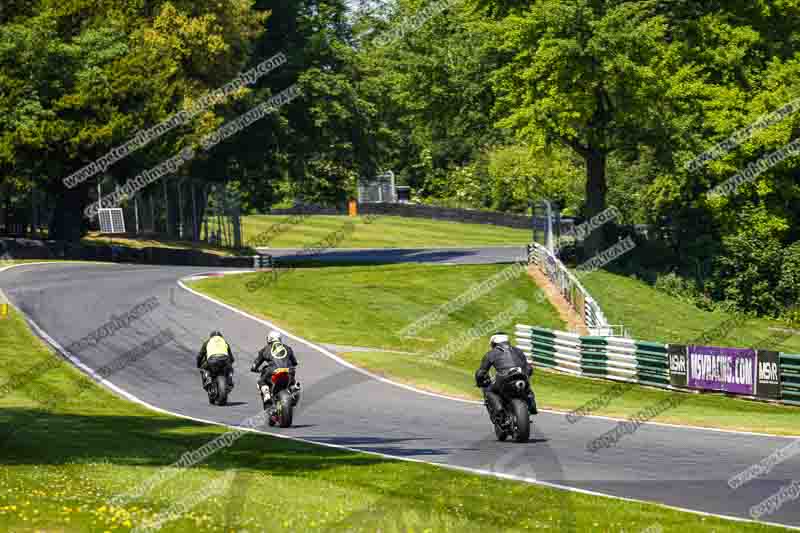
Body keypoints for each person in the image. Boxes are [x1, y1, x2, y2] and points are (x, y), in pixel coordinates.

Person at [475, 332, 537, 416]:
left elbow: (481, 372)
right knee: (527, 388)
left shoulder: (492, 353)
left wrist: (480, 383)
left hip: (504, 378)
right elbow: (529, 368)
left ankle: (498, 409)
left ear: (494, 343)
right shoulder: (518, 351)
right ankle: (532, 406)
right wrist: (526, 376)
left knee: (488, 390)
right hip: (521, 376)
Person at [250, 330, 298, 406]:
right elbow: (294, 362)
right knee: (292, 378)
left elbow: (255, 365)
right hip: (288, 371)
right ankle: (294, 387)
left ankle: (266, 394)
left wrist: (254, 369)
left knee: (261, 381)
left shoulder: (265, 349)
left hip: (273, 370)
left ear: (269, 339)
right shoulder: (288, 348)